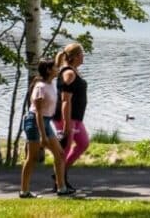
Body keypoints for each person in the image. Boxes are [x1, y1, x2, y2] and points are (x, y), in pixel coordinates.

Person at [20, 58, 75, 198]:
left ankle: (61, 188)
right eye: (55, 67)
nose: (58, 69)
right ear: (49, 70)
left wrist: (63, 55)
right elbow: (38, 113)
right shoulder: (40, 87)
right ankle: (24, 191)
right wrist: (43, 136)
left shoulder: (51, 83)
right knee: (32, 158)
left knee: (60, 154)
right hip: (34, 122)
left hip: (46, 122)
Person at [51, 43, 89, 192]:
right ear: (75, 56)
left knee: (83, 143)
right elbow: (65, 100)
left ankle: (60, 174)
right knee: (64, 150)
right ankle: (60, 183)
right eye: (82, 53)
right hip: (66, 118)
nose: (83, 56)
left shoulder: (74, 71)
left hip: (76, 118)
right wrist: (67, 124)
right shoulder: (68, 74)